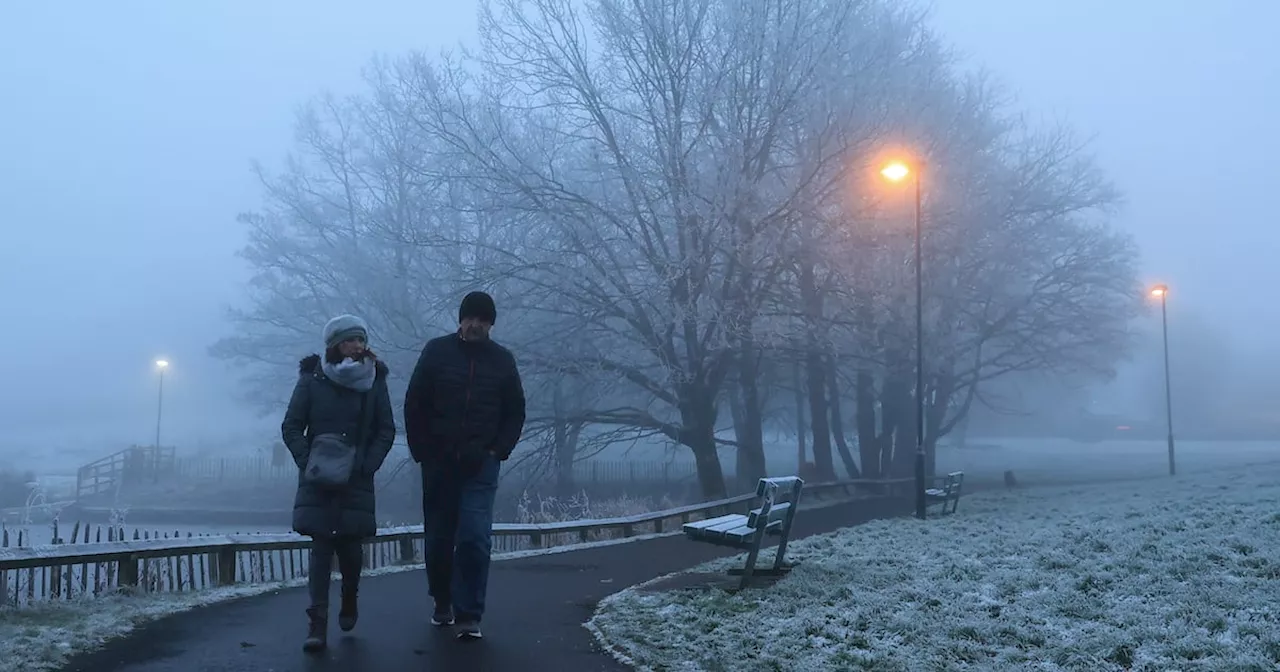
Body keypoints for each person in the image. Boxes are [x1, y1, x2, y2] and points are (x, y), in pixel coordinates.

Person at [404, 291, 526, 640]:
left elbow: (515, 410)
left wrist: (498, 450)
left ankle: (469, 612)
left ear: (491, 324)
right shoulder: (436, 352)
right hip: (439, 461)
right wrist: (422, 450)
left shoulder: (502, 361)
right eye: (470, 318)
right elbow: (415, 402)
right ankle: (442, 598)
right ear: (460, 319)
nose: (476, 325)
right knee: (440, 538)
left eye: (483, 320)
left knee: (474, 537)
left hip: (480, 463)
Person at [281, 314, 396, 652]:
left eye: (361, 340)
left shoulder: (375, 380)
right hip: (319, 478)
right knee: (321, 548)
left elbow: (385, 429)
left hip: (357, 477)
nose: (357, 346)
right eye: (350, 340)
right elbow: (291, 426)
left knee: (350, 547)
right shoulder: (312, 380)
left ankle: (349, 595)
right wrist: (309, 461)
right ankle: (317, 623)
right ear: (334, 345)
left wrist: (367, 464)